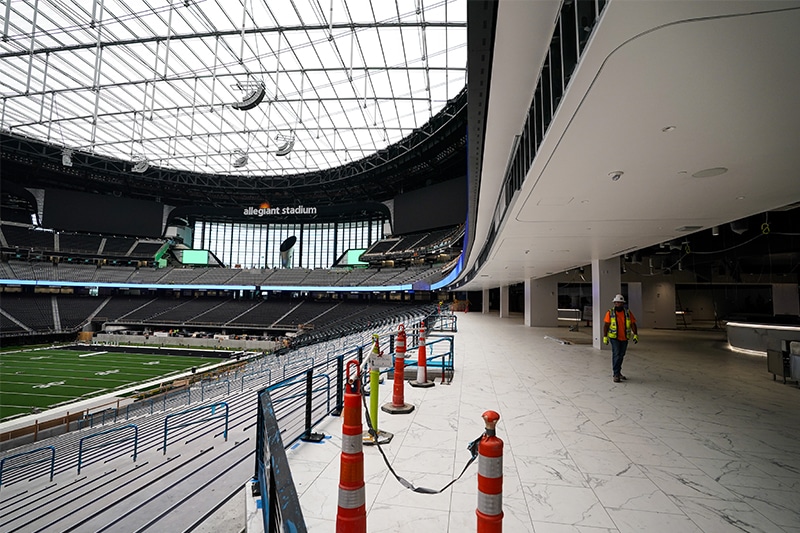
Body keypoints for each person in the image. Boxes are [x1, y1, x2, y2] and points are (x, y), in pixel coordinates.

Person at [602, 294, 638, 382]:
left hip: (624, 338)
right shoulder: (610, 313)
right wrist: (605, 336)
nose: (618, 304)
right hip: (614, 338)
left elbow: (633, 324)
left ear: (623, 304)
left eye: (620, 303)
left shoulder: (628, 313)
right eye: (617, 302)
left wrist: (635, 334)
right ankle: (616, 374)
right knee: (616, 355)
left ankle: (618, 372)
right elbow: (606, 325)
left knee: (621, 355)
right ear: (614, 303)